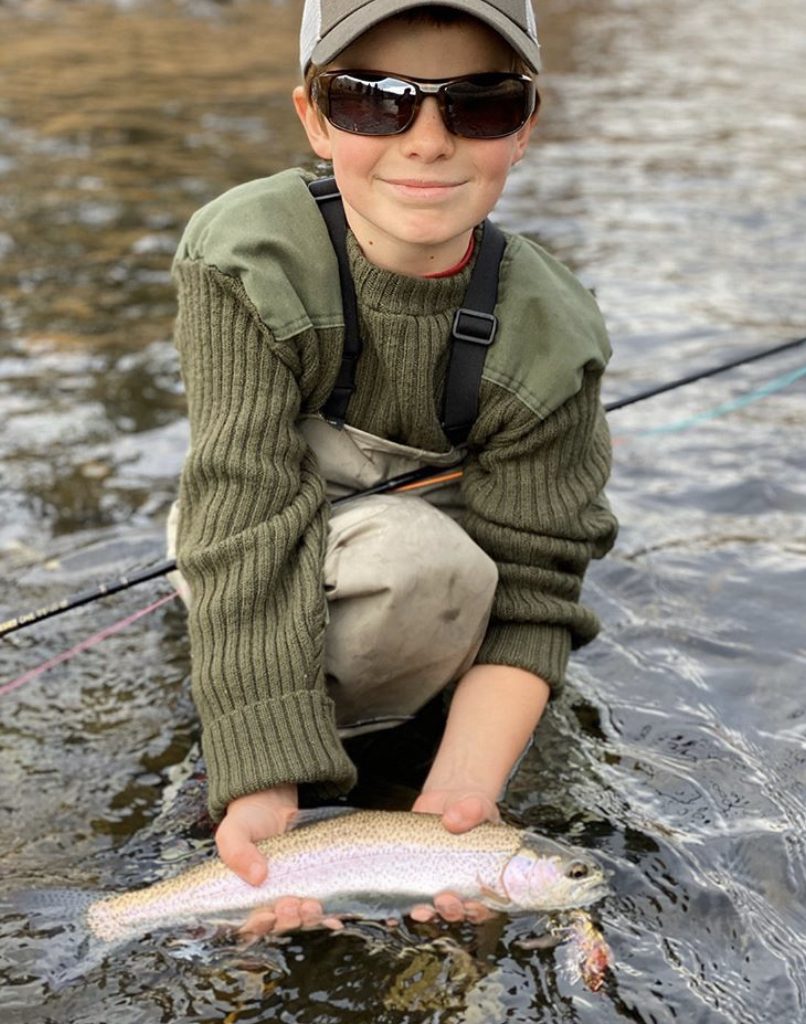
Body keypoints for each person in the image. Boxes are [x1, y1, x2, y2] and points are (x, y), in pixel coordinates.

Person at [167, 0, 618, 932]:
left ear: (524, 127)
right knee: (400, 567)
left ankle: (392, 736)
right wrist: (263, 785)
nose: (427, 140)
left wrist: (460, 803)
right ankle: (277, 726)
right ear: (314, 119)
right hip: (245, 524)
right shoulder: (246, 255)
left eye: (479, 103)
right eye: (374, 101)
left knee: (436, 569)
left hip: (422, 577)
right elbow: (245, 510)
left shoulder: (552, 332)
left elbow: (534, 593)